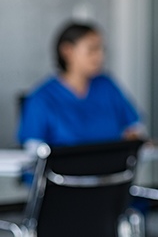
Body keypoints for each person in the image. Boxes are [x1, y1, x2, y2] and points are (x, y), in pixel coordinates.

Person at [18, 22, 144, 151]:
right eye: (92, 50)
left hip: (112, 169)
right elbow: (33, 149)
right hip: (63, 171)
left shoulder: (107, 86)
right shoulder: (41, 98)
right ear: (67, 51)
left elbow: (133, 127)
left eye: (102, 50)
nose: (100, 56)